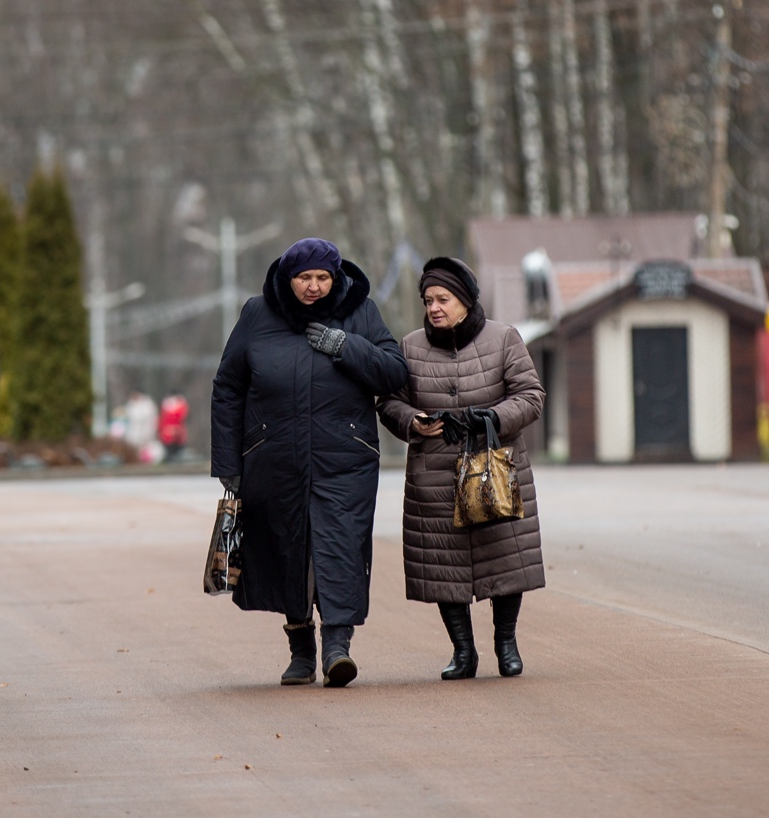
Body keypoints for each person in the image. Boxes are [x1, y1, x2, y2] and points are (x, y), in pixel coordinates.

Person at [211, 238, 408, 688]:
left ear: (335, 277)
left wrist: (345, 345)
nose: (315, 287)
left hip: (346, 459)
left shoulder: (360, 312)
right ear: (288, 279)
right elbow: (227, 388)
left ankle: (338, 648)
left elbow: (394, 372)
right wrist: (228, 461)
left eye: (323, 277)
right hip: (272, 460)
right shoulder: (257, 315)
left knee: (340, 548)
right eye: (305, 278)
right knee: (285, 549)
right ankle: (301, 650)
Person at [376, 256, 545, 680]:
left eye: (443, 299)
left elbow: (530, 395)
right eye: (428, 300)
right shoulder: (410, 346)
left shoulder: (504, 338)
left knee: (506, 557)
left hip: (496, 467)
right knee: (442, 563)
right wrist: (412, 421)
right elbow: (389, 401)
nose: (434, 307)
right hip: (434, 474)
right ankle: (463, 652)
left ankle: (506, 644)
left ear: (466, 300)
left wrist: (493, 417)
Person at [158, 393, 190, 461]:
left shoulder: (166, 406)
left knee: (172, 451)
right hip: (175, 432)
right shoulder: (181, 405)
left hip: (170, 432)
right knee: (175, 451)